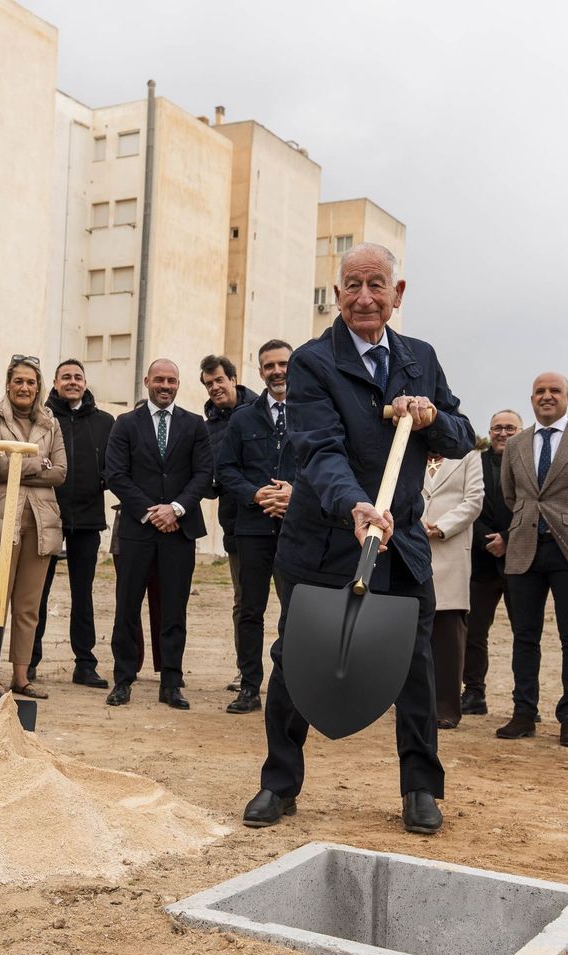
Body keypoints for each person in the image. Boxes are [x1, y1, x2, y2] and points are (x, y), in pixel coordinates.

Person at [242, 242, 474, 834]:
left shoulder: (420, 358)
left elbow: (460, 434)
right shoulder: (313, 362)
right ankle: (279, 782)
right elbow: (319, 450)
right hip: (325, 541)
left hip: (402, 545)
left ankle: (420, 787)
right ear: (337, 293)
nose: (365, 297)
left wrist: (431, 418)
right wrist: (354, 504)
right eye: (353, 285)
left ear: (398, 294)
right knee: (297, 659)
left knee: (415, 665)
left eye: (377, 284)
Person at [497, 373, 568, 747]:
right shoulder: (516, 444)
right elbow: (510, 495)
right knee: (524, 635)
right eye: (540, 391)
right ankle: (523, 712)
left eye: (554, 391)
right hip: (525, 549)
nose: (547, 396)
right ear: (531, 398)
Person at [104, 358, 213, 709]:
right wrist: (153, 512)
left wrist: (176, 508)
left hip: (179, 531)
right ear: (147, 381)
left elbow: (203, 474)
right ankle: (123, 680)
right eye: (159, 380)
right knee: (127, 606)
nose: (165, 386)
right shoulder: (126, 424)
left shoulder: (194, 424)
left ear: (178, 384)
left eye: (171, 380)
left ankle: (171, 682)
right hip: (137, 530)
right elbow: (116, 474)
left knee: (173, 609)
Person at [0, 355, 66, 697]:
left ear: (38, 387)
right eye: (19, 381)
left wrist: (17, 464)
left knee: (28, 606)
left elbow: (60, 472)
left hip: (41, 524)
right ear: (8, 384)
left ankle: (21, 676)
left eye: (30, 382)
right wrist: (38, 463)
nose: (24, 387)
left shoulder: (50, 422)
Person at [215, 340, 299, 714]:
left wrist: (296, 493)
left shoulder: (313, 414)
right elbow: (225, 469)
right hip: (252, 529)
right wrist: (255, 494)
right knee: (250, 610)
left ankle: (292, 687)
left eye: (283, 364)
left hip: (296, 529)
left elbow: (325, 463)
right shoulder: (243, 419)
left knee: (296, 610)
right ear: (260, 371)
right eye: (269, 366)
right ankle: (249, 687)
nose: (277, 371)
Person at [33, 358, 114, 688]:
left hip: (88, 520)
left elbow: (113, 466)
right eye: (65, 377)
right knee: (37, 592)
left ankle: (85, 664)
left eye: (78, 377)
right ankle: (29, 661)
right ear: (55, 383)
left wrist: (101, 481)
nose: (72, 382)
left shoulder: (105, 422)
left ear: (85, 383)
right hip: (46, 517)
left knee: (83, 595)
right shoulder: (41, 419)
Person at [200, 353, 258, 694]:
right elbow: (211, 484)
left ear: (234, 379)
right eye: (209, 384)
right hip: (237, 527)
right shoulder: (208, 429)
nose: (215, 388)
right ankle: (245, 671)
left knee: (292, 601)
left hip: (278, 521)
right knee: (244, 602)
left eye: (219, 380)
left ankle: (293, 672)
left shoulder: (262, 412)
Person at [461, 409, 522, 717]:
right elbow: (466, 505)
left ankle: (525, 701)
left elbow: (535, 507)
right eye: (497, 428)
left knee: (525, 634)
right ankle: (474, 693)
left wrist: (508, 539)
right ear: (489, 432)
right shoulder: (474, 462)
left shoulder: (529, 464)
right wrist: (490, 541)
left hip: (521, 561)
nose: (503, 433)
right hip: (480, 560)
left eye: (510, 428)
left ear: (521, 432)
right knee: (473, 632)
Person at [421, 448, 485, 729]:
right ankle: (415, 705)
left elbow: (474, 501)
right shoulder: (407, 449)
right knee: (412, 635)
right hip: (412, 545)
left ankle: (445, 708)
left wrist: (440, 527)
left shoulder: (469, 457)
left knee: (448, 637)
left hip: (451, 549)